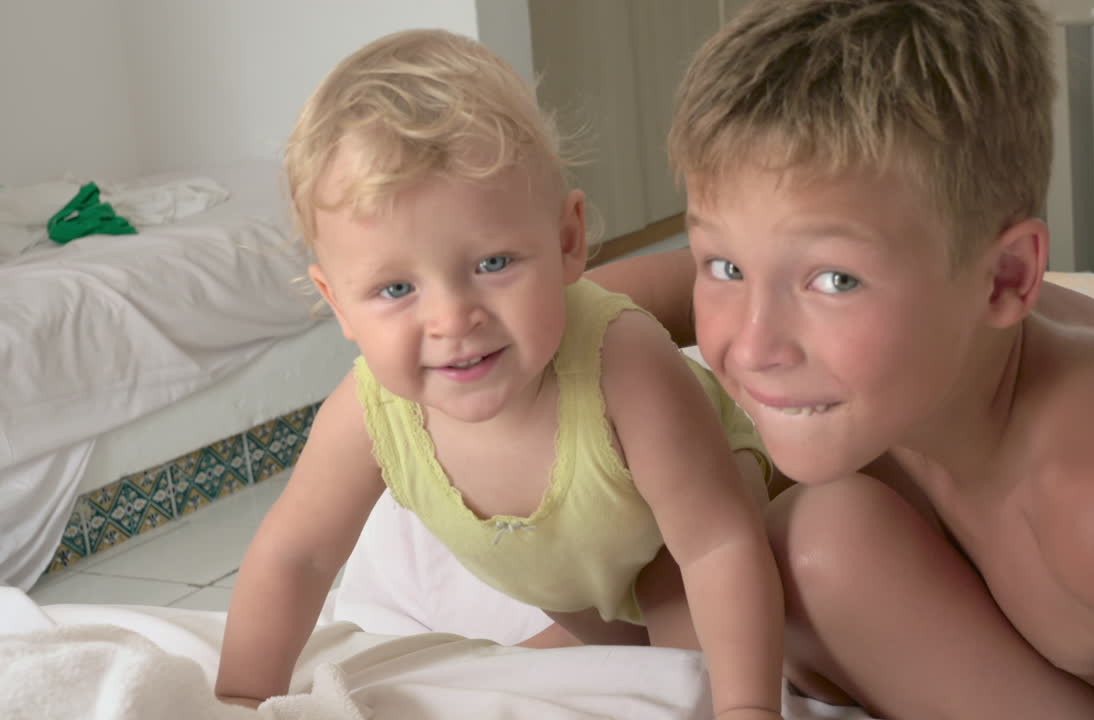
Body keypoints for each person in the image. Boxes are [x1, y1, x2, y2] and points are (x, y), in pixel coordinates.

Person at [592, 0, 1094, 718]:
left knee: (810, 550)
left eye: (835, 281)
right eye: (727, 267)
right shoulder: (948, 333)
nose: (754, 346)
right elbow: (610, 303)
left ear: (1009, 278)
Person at [214, 28, 786, 720]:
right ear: (337, 303)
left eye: (493, 264)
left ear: (568, 241)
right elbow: (296, 557)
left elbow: (718, 544)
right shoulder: (366, 415)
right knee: (579, 629)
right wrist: (241, 697)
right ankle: (594, 642)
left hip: (688, 549)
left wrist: (746, 708)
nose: (454, 320)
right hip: (575, 575)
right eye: (397, 290)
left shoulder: (626, 367)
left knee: (674, 679)